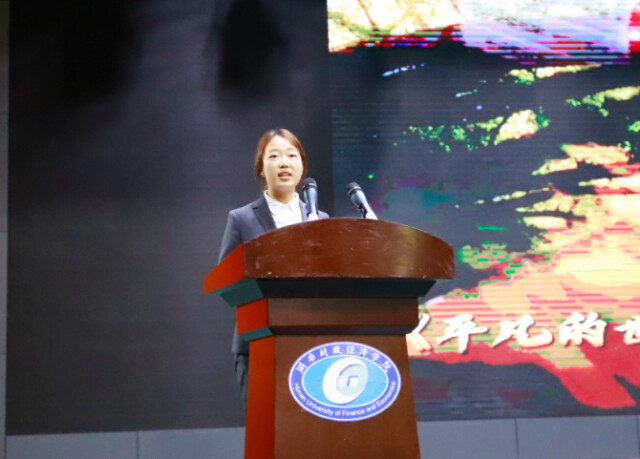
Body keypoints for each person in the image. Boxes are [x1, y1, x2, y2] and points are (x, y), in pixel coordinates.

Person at [217, 128, 329, 408]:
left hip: (313, 345)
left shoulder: (320, 219)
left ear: (302, 166)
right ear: (261, 167)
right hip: (258, 343)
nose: (284, 163)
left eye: (292, 155)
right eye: (274, 156)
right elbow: (226, 281)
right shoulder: (242, 218)